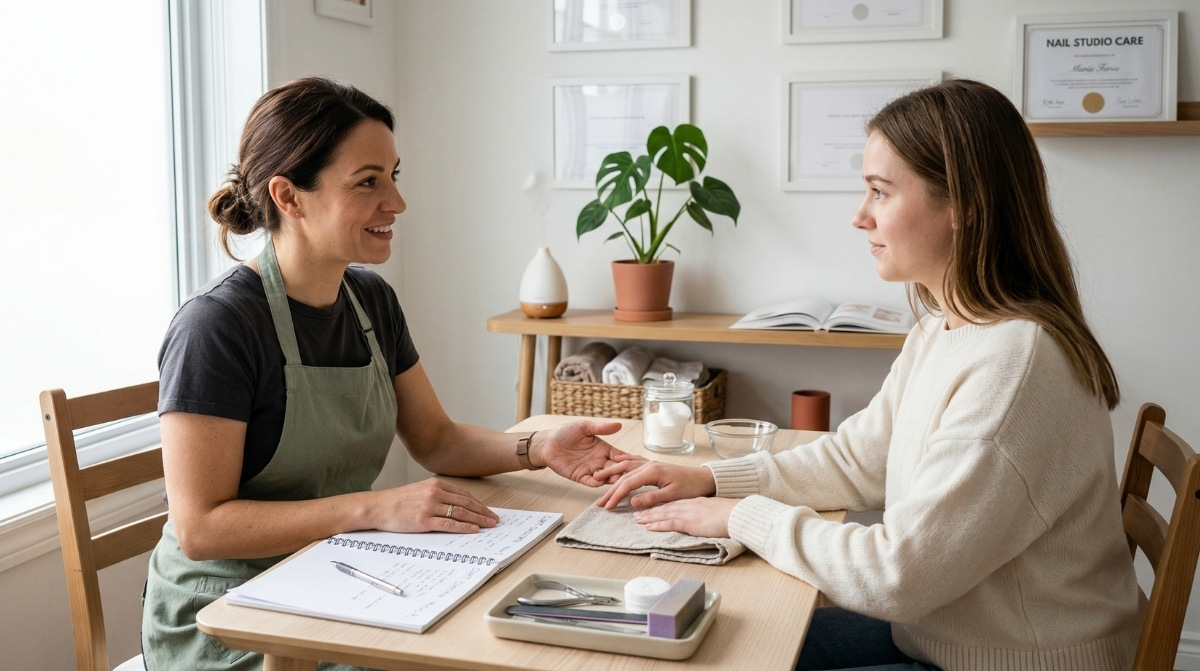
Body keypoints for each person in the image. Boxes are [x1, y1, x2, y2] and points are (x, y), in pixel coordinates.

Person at [595, 79, 1143, 671]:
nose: (860, 217)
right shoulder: (946, 327)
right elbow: (860, 460)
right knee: (723, 642)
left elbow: (899, 574)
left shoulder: (1013, 366)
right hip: (941, 635)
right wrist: (710, 478)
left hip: (1011, 660)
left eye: (880, 192)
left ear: (965, 205)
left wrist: (741, 517)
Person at [143, 76, 637, 670]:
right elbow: (201, 529)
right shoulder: (217, 327)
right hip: (230, 615)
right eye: (367, 183)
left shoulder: (370, 299)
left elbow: (435, 438)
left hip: (339, 573)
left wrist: (536, 447)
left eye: (393, 176)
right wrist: (375, 510)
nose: (396, 203)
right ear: (288, 196)